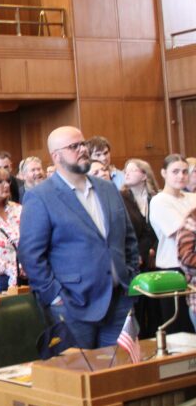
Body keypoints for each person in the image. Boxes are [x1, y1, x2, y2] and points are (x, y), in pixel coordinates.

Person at [19, 126, 140, 349]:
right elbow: (30, 254)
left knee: (122, 376)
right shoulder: (40, 196)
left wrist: (130, 276)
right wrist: (54, 296)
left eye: (83, 144)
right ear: (56, 156)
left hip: (119, 301)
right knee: (80, 376)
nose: (82, 149)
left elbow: (128, 239)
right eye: (74, 146)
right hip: (72, 305)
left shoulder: (108, 189)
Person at [149, 154, 196, 334]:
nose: (181, 176)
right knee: (180, 327)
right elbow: (182, 234)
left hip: (193, 267)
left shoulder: (191, 197)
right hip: (172, 268)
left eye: (185, 172)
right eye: (175, 171)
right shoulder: (159, 200)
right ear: (163, 173)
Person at [121, 158, 160, 337]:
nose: (126, 173)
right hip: (134, 260)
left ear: (144, 175)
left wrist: (152, 249)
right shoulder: (121, 198)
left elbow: (157, 229)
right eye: (125, 170)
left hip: (156, 259)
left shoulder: (157, 199)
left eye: (132, 170)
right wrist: (139, 253)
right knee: (137, 306)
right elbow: (125, 231)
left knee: (155, 310)